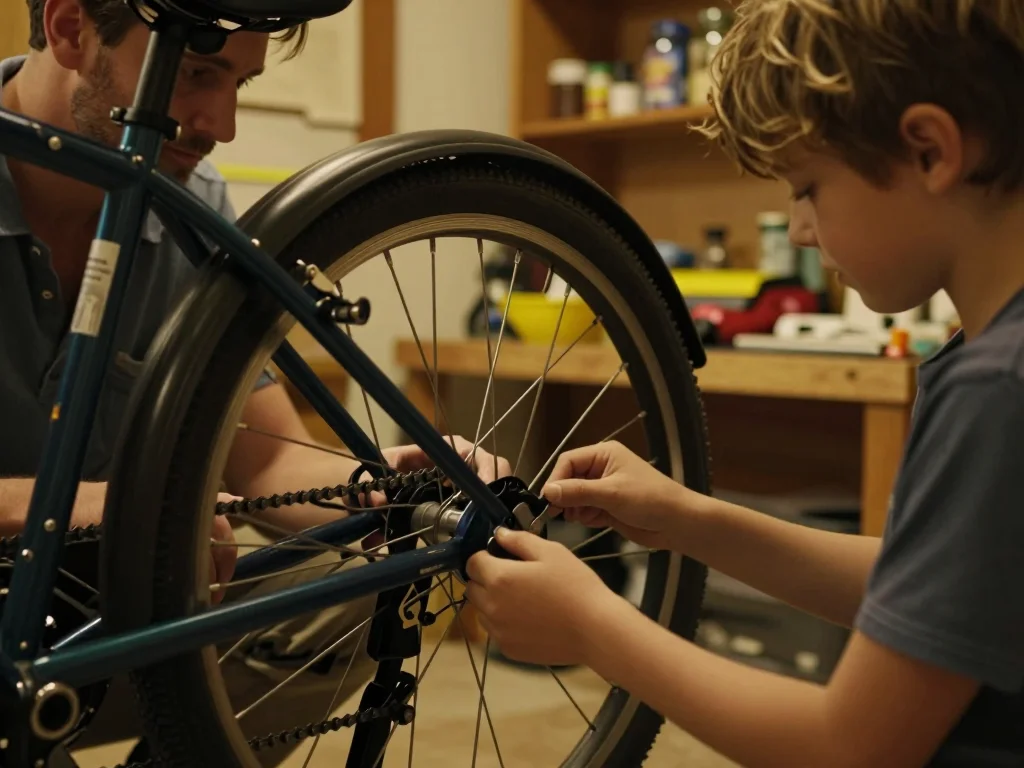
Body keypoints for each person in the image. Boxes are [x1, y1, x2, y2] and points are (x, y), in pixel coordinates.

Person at [466, 1, 1024, 766]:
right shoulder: (993, 355)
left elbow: (849, 748)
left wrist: (593, 626)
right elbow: (938, 589)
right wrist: (692, 520)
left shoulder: (997, 389)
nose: (797, 231)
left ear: (929, 150)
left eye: (806, 188)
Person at [0, 0, 508, 763]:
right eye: (198, 71)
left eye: (241, 82)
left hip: (104, 600)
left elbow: (267, 462)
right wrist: (138, 507)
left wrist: (384, 488)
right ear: (71, 29)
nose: (222, 124)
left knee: (360, 581)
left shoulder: (192, 204)